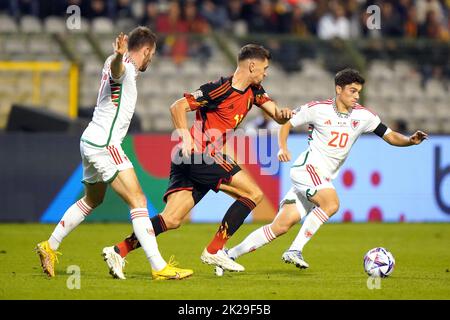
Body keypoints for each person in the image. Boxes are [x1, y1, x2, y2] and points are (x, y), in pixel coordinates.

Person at [102, 44, 293, 278]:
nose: (266, 73)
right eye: (264, 68)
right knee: (253, 194)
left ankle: (118, 251)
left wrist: (283, 114)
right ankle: (214, 250)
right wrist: (184, 136)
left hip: (190, 159)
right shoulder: (218, 89)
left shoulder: (255, 91)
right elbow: (178, 107)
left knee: (171, 219)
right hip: (198, 155)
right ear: (251, 65)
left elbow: (276, 114)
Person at [225, 68, 428, 270]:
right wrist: (283, 148)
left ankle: (229, 255)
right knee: (331, 203)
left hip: (321, 177)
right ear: (338, 89)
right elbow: (287, 123)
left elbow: (390, 135)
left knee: (280, 226)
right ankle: (295, 250)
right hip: (307, 169)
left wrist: (410, 141)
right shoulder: (318, 109)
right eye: (352, 91)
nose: (357, 96)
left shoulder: (364, 116)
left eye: (358, 91)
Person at [35, 27, 193, 281]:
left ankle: (49, 247)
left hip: (90, 140)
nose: (151, 59)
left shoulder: (121, 64)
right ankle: (159, 267)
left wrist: (119, 57)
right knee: (139, 201)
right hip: (105, 145)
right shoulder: (124, 65)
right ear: (147, 50)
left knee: (92, 200)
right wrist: (120, 55)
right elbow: (117, 72)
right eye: (151, 53)